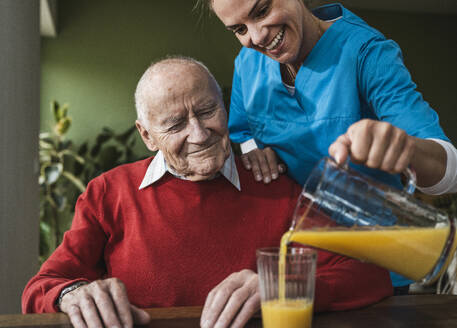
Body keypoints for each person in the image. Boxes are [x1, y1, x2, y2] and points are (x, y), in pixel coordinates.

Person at [22, 57, 393, 328]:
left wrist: (283, 287)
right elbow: (41, 289)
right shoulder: (108, 191)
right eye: (175, 124)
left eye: (206, 111)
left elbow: (368, 275)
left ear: (225, 107)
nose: (198, 134)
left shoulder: (275, 183)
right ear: (146, 135)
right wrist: (70, 294)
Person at [205, 0, 457, 289]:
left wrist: (407, 148)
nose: (257, 37)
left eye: (262, 11)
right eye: (239, 29)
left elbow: (450, 169)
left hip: (378, 265)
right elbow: (241, 131)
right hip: (298, 266)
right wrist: (256, 154)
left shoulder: (365, 52)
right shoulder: (247, 65)